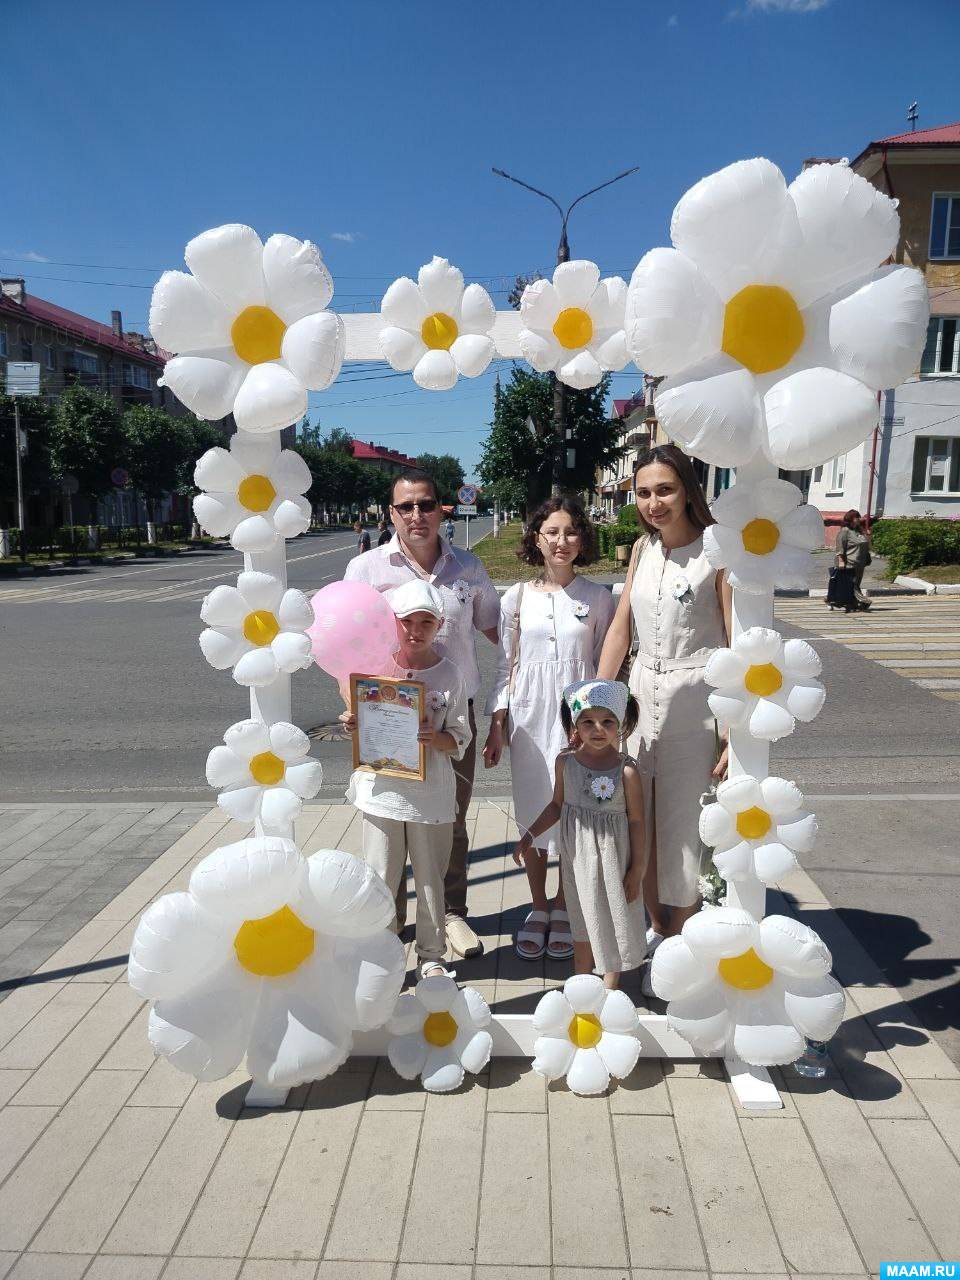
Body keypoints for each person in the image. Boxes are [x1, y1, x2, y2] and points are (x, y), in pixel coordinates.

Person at [343, 468, 501, 959]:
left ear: (442, 509)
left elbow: (502, 632)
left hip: (449, 712)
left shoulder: (469, 569)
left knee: (449, 818)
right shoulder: (367, 570)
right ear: (391, 513)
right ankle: (389, 929)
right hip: (384, 714)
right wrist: (353, 708)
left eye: (426, 504)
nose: (417, 515)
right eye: (406, 506)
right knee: (387, 822)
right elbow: (344, 643)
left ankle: (451, 914)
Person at [597, 444, 731, 995]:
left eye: (665, 490)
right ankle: (657, 931)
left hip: (696, 703)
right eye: (644, 492)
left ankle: (680, 946)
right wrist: (597, 705)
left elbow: (736, 641)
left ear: (689, 491)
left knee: (682, 830)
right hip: (641, 699)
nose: (654, 502)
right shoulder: (640, 549)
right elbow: (621, 628)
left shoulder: (716, 553)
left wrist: (732, 732)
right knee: (640, 823)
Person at [483, 497, 616, 962]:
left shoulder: (599, 598)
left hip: (577, 720)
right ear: (535, 539)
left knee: (574, 812)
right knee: (533, 808)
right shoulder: (515, 598)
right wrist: (497, 723)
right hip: (528, 719)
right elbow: (506, 667)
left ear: (582, 539)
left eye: (571, 532)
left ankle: (564, 905)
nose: (562, 541)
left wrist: (596, 726)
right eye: (552, 532)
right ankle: (538, 906)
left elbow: (605, 665)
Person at [342, 581, 469, 979]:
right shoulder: (377, 666)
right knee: (380, 875)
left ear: (439, 625)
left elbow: (459, 737)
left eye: (426, 623)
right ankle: (381, 954)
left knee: (430, 877)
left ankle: (431, 955)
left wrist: (438, 738)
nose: (416, 630)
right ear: (393, 623)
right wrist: (352, 723)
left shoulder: (450, 674)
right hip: (381, 791)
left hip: (429, 796)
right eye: (407, 621)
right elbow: (361, 723)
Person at [513, 679, 646, 989]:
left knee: (613, 915)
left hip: (615, 860)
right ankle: (582, 982)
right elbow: (557, 805)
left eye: (607, 722)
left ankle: (610, 987)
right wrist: (529, 835)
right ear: (575, 725)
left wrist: (637, 869)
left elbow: (638, 822)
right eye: (588, 722)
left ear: (621, 725)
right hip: (577, 860)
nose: (598, 729)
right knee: (581, 917)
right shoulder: (565, 763)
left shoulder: (626, 771)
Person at [835, 510, 872, 611]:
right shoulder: (845, 531)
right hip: (849, 563)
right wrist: (841, 561)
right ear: (850, 519)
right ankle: (863, 601)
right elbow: (840, 547)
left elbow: (867, 545)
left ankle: (847, 602)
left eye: (859, 517)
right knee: (852, 584)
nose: (859, 519)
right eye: (857, 517)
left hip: (860, 563)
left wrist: (868, 536)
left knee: (855, 584)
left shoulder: (859, 531)